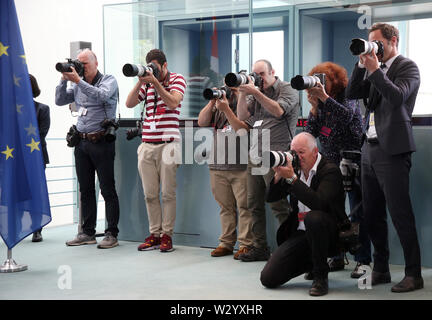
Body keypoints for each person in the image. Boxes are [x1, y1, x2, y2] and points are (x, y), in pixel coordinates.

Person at [346, 23, 423, 292]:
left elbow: (397, 97)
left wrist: (376, 69)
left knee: (401, 214)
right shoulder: (372, 69)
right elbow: (352, 94)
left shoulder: (407, 67)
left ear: (393, 41)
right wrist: (361, 65)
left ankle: (414, 274)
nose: (374, 47)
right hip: (369, 148)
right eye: (371, 43)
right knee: (372, 213)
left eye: (377, 43)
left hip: (393, 150)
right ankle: (381, 269)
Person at [214, 59, 300, 262]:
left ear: (273, 72)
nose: (258, 79)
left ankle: (291, 248)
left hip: (277, 157)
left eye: (261, 74)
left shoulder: (287, 89)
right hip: (256, 156)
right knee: (253, 204)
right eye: (255, 74)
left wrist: (256, 93)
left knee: (279, 205)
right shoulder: (254, 92)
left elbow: (279, 111)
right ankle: (260, 247)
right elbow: (243, 116)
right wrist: (243, 92)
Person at [304, 62, 370, 278]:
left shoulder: (347, 96)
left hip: (351, 159)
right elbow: (311, 132)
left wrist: (324, 98)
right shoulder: (320, 104)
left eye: (324, 80)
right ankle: (336, 256)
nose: (320, 84)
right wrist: (314, 108)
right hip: (329, 163)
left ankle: (363, 261)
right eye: (317, 80)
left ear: (335, 80)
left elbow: (346, 118)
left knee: (356, 213)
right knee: (332, 211)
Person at [260, 132, 345, 297]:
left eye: (301, 152)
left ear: (315, 152)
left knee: (313, 217)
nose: (296, 157)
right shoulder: (295, 170)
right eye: (293, 152)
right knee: (268, 278)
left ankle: (321, 276)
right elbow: (270, 197)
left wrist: (292, 179)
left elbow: (318, 203)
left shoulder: (330, 171)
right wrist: (278, 176)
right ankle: (312, 262)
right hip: (301, 234)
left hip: (329, 234)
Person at [55, 49, 120, 249]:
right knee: (85, 190)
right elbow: (59, 100)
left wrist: (77, 81)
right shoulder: (77, 83)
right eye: (79, 63)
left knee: (107, 189)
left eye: (85, 63)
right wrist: (64, 79)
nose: (81, 67)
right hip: (81, 142)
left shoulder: (108, 80)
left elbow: (101, 96)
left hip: (101, 141)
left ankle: (111, 233)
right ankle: (88, 232)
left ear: (96, 62)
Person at [125, 49, 186, 253]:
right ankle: (155, 234)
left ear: (165, 65)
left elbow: (173, 102)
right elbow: (129, 103)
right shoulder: (148, 85)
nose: (154, 72)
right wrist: (142, 81)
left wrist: (156, 82)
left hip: (168, 144)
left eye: (156, 68)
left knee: (168, 193)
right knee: (149, 194)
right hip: (147, 145)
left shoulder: (178, 79)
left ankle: (167, 235)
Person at [198, 87, 253, 259]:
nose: (229, 92)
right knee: (225, 207)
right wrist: (212, 101)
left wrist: (227, 108)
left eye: (233, 89)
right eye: (226, 88)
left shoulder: (247, 105)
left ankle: (246, 244)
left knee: (245, 207)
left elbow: (242, 130)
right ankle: (226, 243)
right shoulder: (218, 106)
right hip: (217, 164)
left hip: (241, 166)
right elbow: (202, 122)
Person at [29, 74, 50, 243]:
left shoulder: (42, 109)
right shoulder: (7, 111)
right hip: (13, 157)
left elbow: (41, 133)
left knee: (36, 192)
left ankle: (37, 228)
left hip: (35, 157)